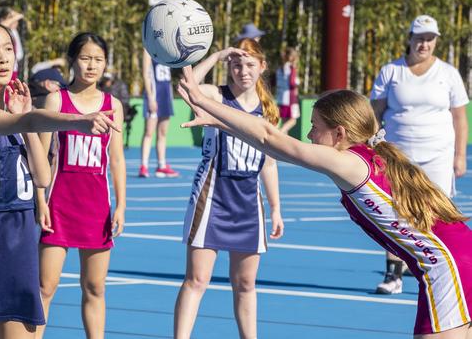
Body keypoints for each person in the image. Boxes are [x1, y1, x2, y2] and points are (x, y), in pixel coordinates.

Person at [177, 65, 472, 339]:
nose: (309, 134)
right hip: (460, 256)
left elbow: (271, 139)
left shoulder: (350, 163)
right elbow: (270, 143)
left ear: (339, 133)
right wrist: (221, 123)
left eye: (315, 127)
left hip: (445, 267)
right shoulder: (374, 157)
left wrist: (205, 102)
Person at [0, 21, 118, 339]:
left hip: (16, 246)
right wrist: (78, 120)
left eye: (8, 49)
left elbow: (43, 176)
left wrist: (27, 121)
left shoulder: (15, 115)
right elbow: (23, 119)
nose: (4, 58)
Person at [174, 39, 284, 339]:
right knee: (197, 279)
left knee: (246, 284)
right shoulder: (216, 97)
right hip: (212, 196)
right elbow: (186, 86)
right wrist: (219, 54)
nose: (243, 71)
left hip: (249, 202)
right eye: (236, 64)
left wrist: (275, 208)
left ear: (262, 67)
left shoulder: (268, 110)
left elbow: (269, 163)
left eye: (250, 64)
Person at [36, 32, 126, 339]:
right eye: (85, 58)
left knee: (95, 287)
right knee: (45, 286)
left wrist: (122, 206)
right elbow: (43, 156)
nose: (91, 66)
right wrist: (40, 200)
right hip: (58, 206)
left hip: (96, 209)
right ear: (73, 60)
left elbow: (116, 160)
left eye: (98, 60)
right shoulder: (55, 100)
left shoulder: (112, 104)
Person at [370, 14, 469, 295]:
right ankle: (394, 274)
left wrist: (459, 156)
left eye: (429, 39)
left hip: (438, 155)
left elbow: (460, 118)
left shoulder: (448, 74)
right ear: (410, 39)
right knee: (396, 213)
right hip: (399, 156)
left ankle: (447, 269)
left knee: (438, 212)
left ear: (435, 41)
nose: (424, 44)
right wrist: (377, 147)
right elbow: (374, 113)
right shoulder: (391, 71)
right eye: (419, 38)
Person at [138, 48, 179, 178]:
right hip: (154, 96)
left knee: (162, 133)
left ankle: (161, 165)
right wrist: (150, 98)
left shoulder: (167, 49)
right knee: (149, 132)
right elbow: (146, 74)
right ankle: (144, 166)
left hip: (165, 96)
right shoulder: (148, 49)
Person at [275, 47, 300, 134]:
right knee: (293, 121)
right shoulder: (291, 68)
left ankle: (281, 141)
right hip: (290, 98)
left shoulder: (280, 68)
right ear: (293, 57)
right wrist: (297, 84)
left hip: (280, 97)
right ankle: (278, 133)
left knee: (285, 121)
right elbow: (293, 83)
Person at [0, 7, 24, 71]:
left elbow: (19, 55)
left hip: (12, 68)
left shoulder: (13, 31)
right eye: (11, 18)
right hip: (2, 68)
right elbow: (1, 25)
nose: (15, 22)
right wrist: (16, 16)